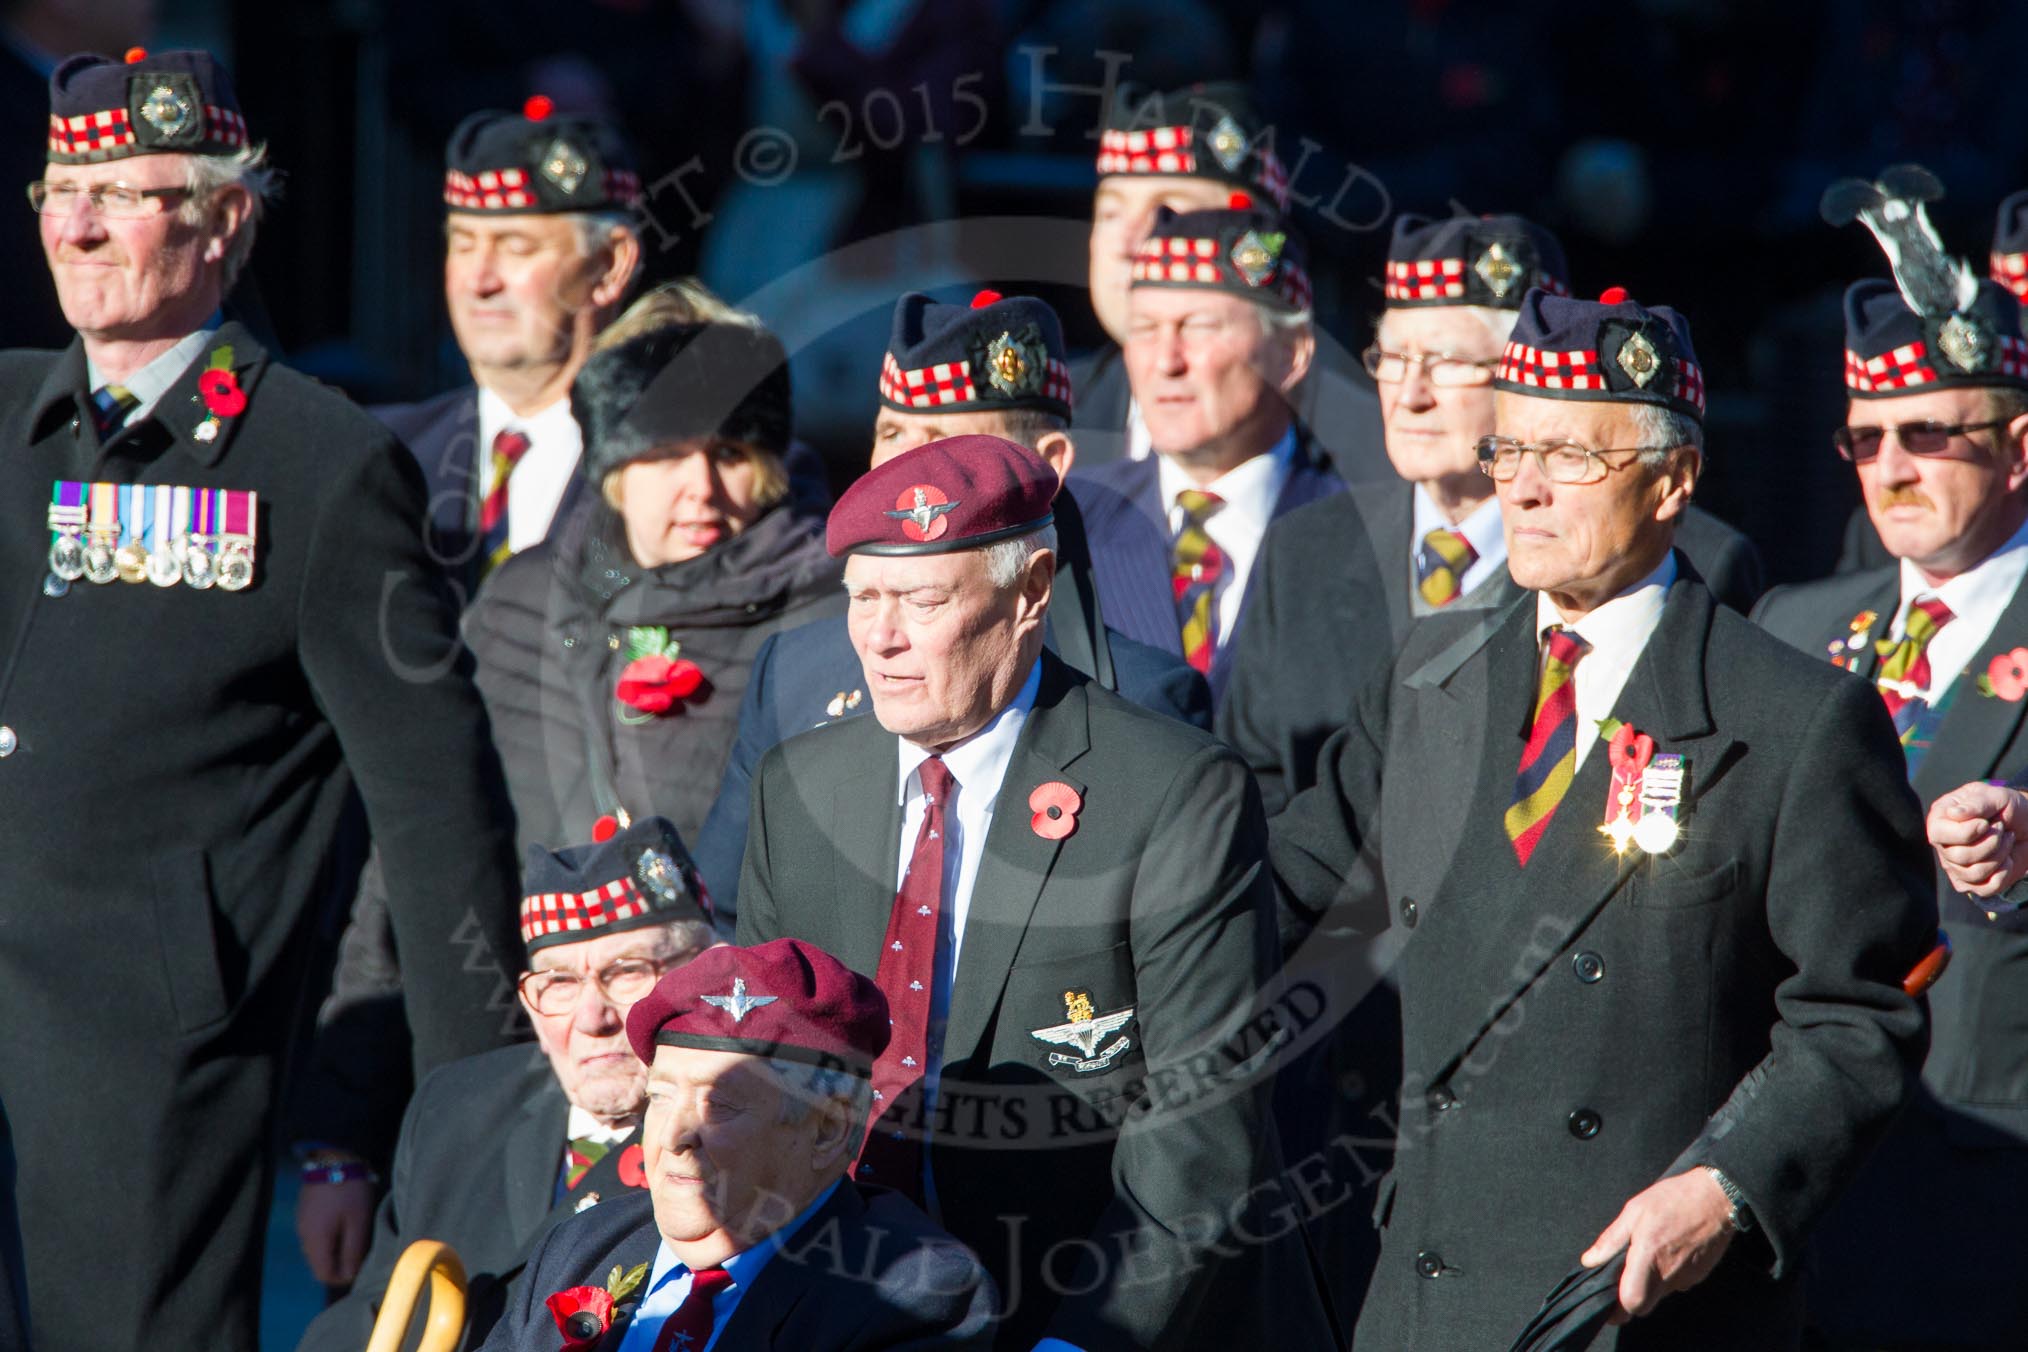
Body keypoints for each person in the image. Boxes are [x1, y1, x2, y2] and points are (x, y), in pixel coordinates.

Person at [1270, 286, 1935, 1347]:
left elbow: (1856, 1014)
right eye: (1508, 451)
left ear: (1673, 481)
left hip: (1642, 1298)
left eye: (1571, 456)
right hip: (1432, 1292)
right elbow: (1282, 896)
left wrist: (1724, 1187)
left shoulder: (1792, 718)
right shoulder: (1429, 678)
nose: (1523, 490)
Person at [0, 47, 522, 1352]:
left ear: (225, 218)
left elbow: (437, 816)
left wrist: (471, 1140)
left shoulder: (321, 467)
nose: (76, 221)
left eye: (122, 190)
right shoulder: (3, 417)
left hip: (140, 1066)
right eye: (61, 185)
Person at [737, 435, 1336, 1349]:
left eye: (924, 600)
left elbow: (1199, 1136)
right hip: (841, 1308)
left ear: (1031, 592)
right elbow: (765, 1072)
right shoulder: (798, 787)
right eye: (864, 598)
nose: (882, 638)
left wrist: (1080, 1342)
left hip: (1081, 1306)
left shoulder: (1172, 792)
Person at [1223, 212, 1764, 815]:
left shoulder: (1681, 560)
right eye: (1392, 358)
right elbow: (1259, 784)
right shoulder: (1307, 545)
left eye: (1448, 362)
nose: (1409, 395)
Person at [690, 287, 1210, 913]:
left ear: (1048, 465)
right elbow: (721, 920)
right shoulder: (795, 675)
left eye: (940, 443)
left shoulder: (1139, 697)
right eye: (889, 431)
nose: (898, 469)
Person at [1754, 223, 2028, 1348]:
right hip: (1811, 1160)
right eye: (1864, 440)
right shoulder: (1795, 624)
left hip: (1991, 1162)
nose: (1892, 469)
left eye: (1928, 433)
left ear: (2018, 448)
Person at [299, 819, 716, 1352]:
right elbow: (375, 1309)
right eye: (559, 982)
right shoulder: (456, 1105)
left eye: (627, 972)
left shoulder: (737, 1141)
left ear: (702, 978)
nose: (591, 1016)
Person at [480, 939, 998, 1351]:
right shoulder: (583, 1246)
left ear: (829, 1130)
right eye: (659, 1098)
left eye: (721, 1106)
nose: (675, 1136)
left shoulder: (909, 1295)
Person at [462, 301, 839, 866]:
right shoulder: (524, 599)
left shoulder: (832, 614)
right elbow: (436, 821)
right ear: (613, 468)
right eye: (665, 454)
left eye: (730, 453)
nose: (701, 488)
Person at [1072, 197, 1344, 705]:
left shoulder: (1367, 534)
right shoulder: (1071, 527)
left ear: (1291, 354)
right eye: (1145, 330)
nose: (1165, 361)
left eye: (1199, 327)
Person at [378, 96, 644, 599]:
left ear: (610, 265)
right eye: (463, 243)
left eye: (516, 246)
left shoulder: (686, 472)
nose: (479, 280)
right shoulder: (384, 455)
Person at [1073, 81, 1389, 483]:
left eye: (1168, 213)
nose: (1128, 244)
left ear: (1254, 241)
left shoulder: (1371, 451)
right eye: (1111, 214)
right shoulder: (1039, 426)